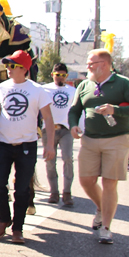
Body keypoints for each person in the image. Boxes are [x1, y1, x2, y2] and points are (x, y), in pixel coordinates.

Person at [68, 49, 129, 244]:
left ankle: (106, 228)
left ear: (103, 64)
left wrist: (115, 110)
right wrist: (73, 125)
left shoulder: (123, 83)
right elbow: (74, 110)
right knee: (86, 180)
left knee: (110, 183)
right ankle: (101, 207)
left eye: (90, 63)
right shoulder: (84, 85)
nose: (87, 66)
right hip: (90, 139)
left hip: (117, 139)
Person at [0, 50, 55, 245]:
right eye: (8, 65)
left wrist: (50, 145)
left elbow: (47, 118)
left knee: (22, 190)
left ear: (23, 68)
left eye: (12, 65)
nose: (8, 69)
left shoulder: (38, 90)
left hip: (27, 145)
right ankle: (4, 219)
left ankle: (17, 228)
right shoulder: (1, 88)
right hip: (3, 144)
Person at [42, 63, 77, 206]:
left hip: (66, 129)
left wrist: (78, 127)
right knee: (50, 160)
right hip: (48, 130)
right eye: (58, 75)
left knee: (68, 158)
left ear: (66, 76)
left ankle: (67, 192)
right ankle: (54, 192)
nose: (60, 78)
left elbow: (77, 110)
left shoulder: (72, 91)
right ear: (52, 75)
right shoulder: (44, 89)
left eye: (63, 75)